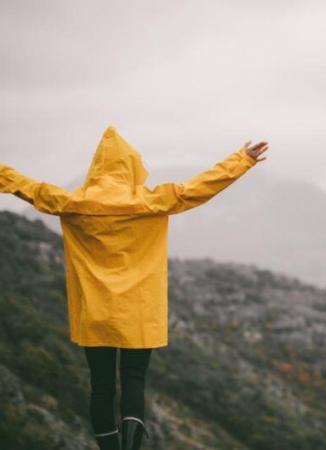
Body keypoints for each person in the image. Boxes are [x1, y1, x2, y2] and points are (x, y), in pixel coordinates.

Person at [0, 126, 269, 449]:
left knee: (100, 386)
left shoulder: (72, 202)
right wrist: (241, 160)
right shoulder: (151, 202)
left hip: (96, 312)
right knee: (133, 380)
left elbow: (26, 186)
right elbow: (198, 188)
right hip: (139, 312)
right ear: (131, 167)